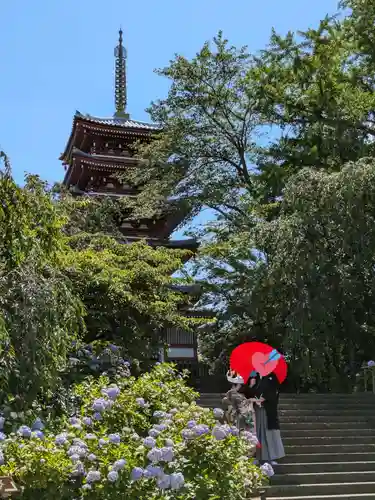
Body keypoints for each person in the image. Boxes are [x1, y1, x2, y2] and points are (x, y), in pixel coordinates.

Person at [239, 371, 285, 465]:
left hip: (267, 409)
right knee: (256, 433)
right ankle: (256, 456)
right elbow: (246, 394)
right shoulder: (254, 377)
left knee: (268, 433)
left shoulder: (272, 377)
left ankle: (270, 457)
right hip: (255, 410)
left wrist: (259, 400)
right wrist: (251, 385)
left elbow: (272, 393)